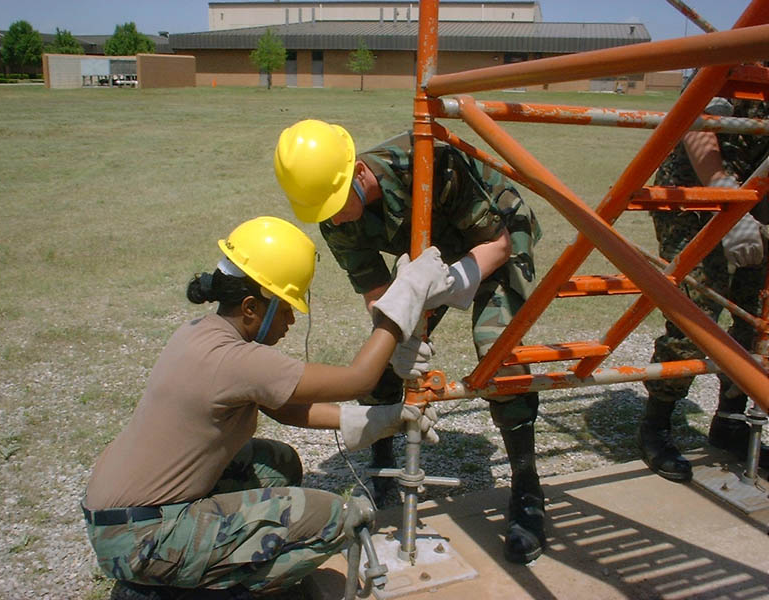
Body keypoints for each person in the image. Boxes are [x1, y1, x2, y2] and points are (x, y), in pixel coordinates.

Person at [82, 216, 451, 599]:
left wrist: (383, 419)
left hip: (120, 518)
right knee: (340, 518)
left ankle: (182, 569)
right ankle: (186, 590)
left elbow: (284, 407)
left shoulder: (201, 333)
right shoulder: (238, 361)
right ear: (250, 307)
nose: (291, 320)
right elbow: (360, 379)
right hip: (142, 536)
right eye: (286, 307)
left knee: (278, 464)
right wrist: (405, 298)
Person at [274, 120, 545, 564]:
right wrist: (397, 338)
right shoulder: (332, 213)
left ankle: (527, 489)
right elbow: (377, 292)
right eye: (323, 210)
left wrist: (445, 284)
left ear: (359, 172)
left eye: (336, 205)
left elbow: (496, 244)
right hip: (429, 257)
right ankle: (382, 458)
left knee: (499, 354)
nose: (333, 218)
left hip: (494, 237)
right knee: (380, 356)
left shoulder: (431, 163)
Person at [639, 91, 769, 482]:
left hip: (756, 194)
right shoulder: (744, 61)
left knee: (755, 315)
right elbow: (698, 122)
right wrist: (727, 199)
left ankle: (730, 422)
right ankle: (655, 426)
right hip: (693, 194)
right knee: (695, 316)